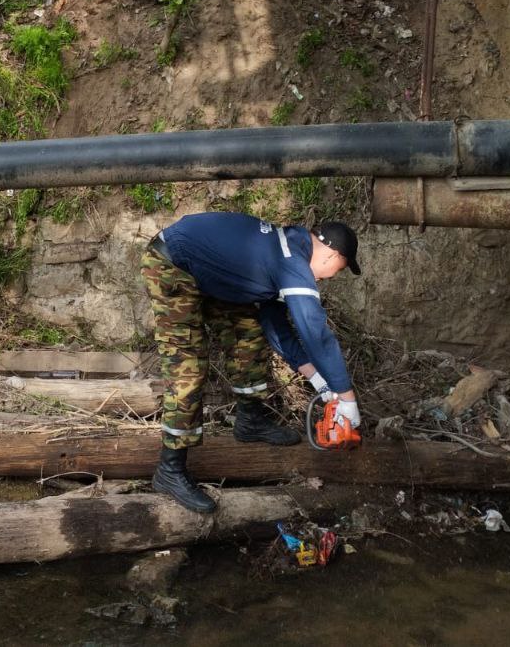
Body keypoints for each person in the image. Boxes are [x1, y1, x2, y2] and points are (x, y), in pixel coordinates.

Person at [141, 212, 362, 513]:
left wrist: (320, 382)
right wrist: (346, 396)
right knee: (187, 369)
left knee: (248, 337)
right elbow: (315, 333)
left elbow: (276, 326)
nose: (331, 276)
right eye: (339, 268)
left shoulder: (290, 250)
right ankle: (169, 470)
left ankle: (250, 422)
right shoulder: (292, 262)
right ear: (333, 255)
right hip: (173, 264)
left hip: (209, 273)